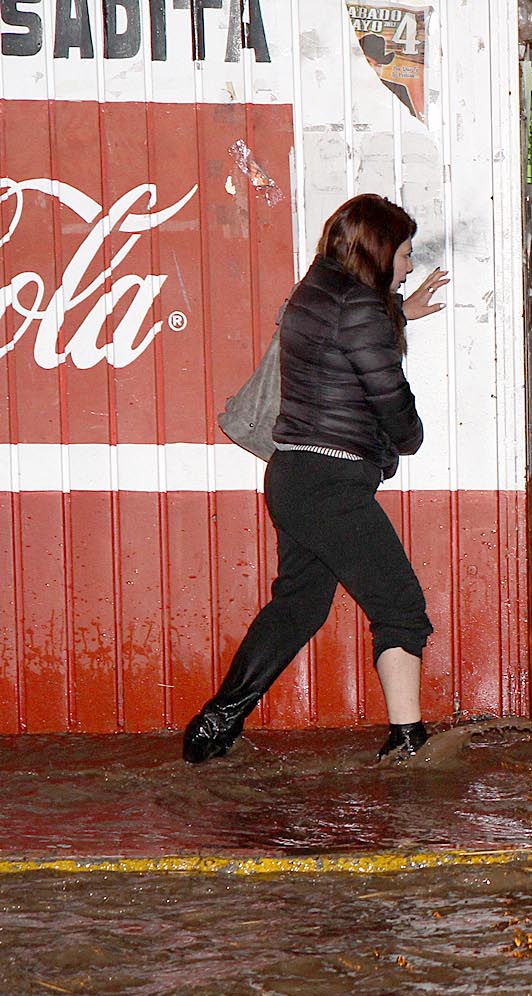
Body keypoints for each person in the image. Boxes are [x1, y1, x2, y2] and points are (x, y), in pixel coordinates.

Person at [183, 193, 450, 765]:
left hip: (294, 476)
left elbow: (341, 335)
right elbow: (388, 395)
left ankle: (215, 725)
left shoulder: (316, 291)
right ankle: (407, 742)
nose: (406, 267)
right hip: (333, 480)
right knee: (400, 608)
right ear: (378, 253)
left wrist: (400, 310)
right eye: (403, 255)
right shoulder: (360, 308)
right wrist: (411, 438)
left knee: (299, 607)